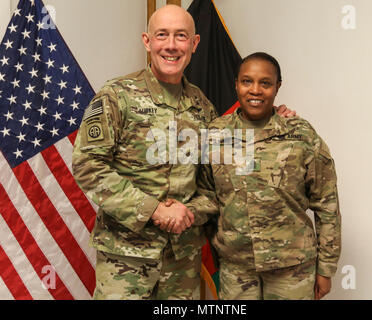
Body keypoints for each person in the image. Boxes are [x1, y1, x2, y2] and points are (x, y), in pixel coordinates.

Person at [72, 5, 294, 300]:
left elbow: (216, 178)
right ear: (147, 41)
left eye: (181, 36)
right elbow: (88, 164)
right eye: (162, 35)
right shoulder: (117, 95)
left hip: (182, 259)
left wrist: (271, 119)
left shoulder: (202, 106)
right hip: (126, 257)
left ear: (194, 43)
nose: (172, 45)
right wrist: (154, 210)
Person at [190, 52, 341, 300]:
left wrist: (326, 268)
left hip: (292, 268)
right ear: (236, 84)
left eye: (265, 83)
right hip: (236, 269)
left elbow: (327, 204)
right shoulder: (216, 134)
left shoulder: (301, 135)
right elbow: (207, 195)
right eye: (247, 81)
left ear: (277, 86)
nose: (255, 90)